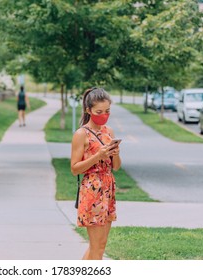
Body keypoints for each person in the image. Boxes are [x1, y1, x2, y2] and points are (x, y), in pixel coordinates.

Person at [70, 87, 121, 260]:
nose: (104, 115)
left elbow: (116, 167)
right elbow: (75, 168)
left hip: (108, 188)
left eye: (107, 111)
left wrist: (115, 154)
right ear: (88, 110)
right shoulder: (81, 134)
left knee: (99, 245)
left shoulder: (109, 132)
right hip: (92, 190)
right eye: (99, 111)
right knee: (97, 248)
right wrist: (97, 156)